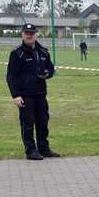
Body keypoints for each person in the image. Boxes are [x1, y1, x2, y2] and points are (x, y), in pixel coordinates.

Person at [6, 23, 59, 160]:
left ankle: (44, 148)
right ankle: (30, 150)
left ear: (36, 34)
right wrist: (16, 95)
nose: (29, 36)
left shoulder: (43, 51)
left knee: (43, 121)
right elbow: (11, 75)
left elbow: (51, 68)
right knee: (27, 123)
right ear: (22, 34)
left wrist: (48, 74)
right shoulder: (18, 53)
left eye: (31, 33)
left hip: (40, 92)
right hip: (25, 94)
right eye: (26, 33)